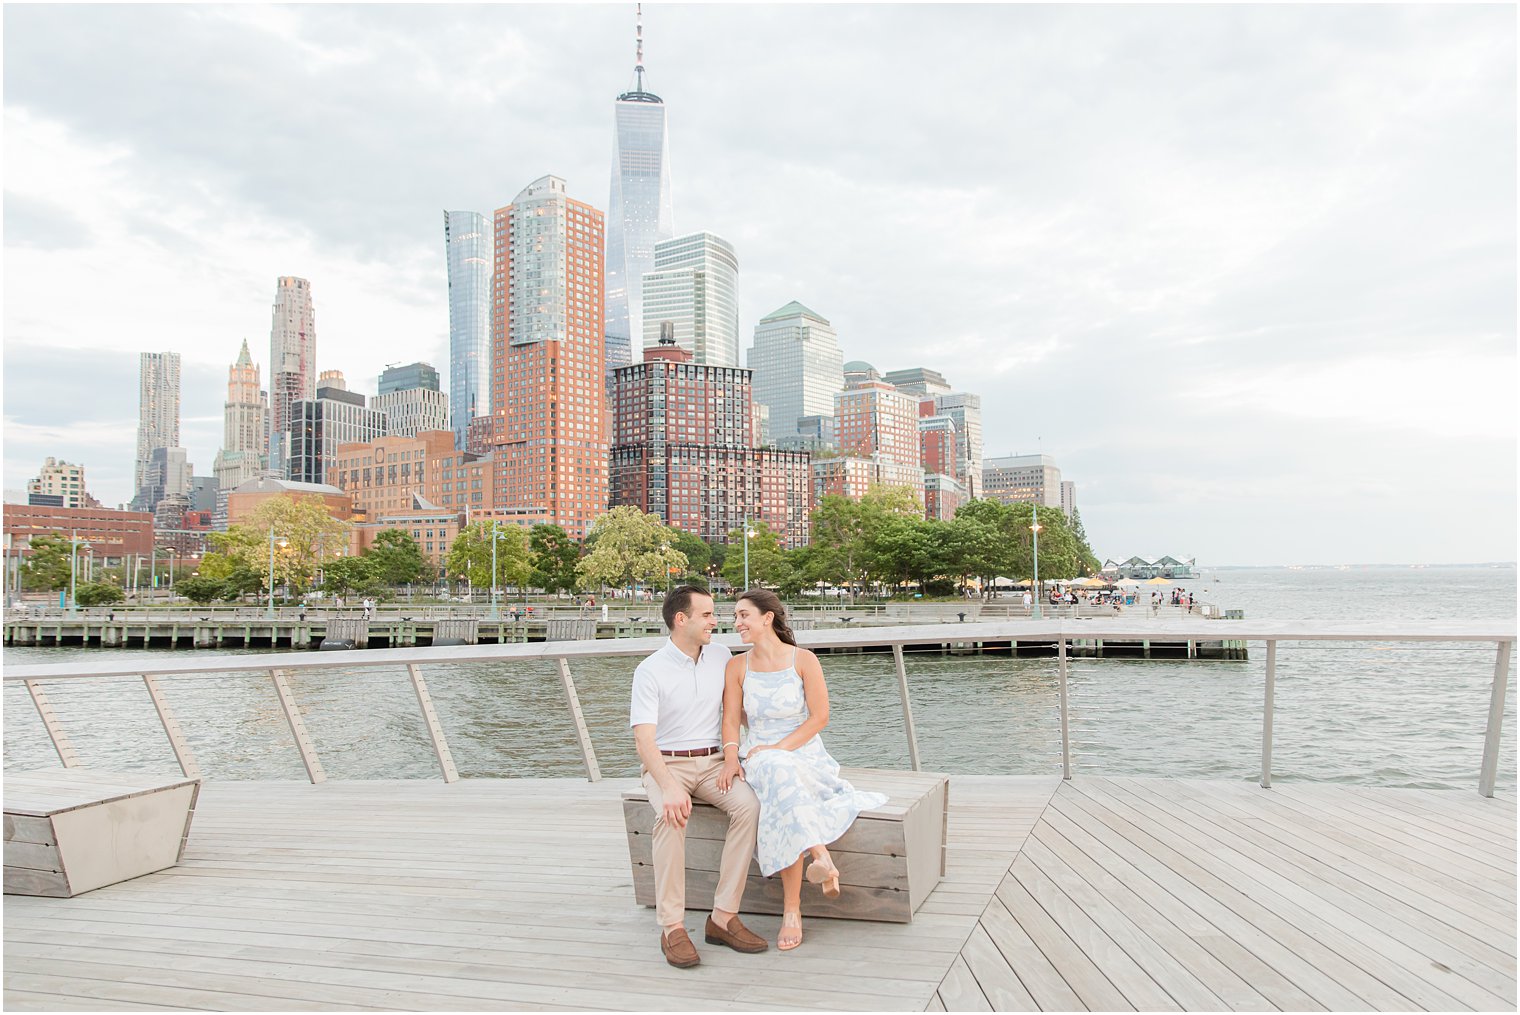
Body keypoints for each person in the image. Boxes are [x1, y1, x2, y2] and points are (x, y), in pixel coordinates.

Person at [722, 588, 887, 951]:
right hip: (757, 756)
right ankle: (817, 859)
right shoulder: (737, 666)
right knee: (776, 770)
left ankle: (796, 904)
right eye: (735, 616)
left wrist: (780, 748)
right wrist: (733, 757)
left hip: (801, 752)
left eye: (743, 615)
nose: (736, 623)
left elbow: (820, 717)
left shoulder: (804, 660)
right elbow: (731, 722)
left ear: (767, 618)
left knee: (781, 776)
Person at [631, 586, 767, 969]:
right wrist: (669, 786)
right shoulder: (650, 670)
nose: (715, 621)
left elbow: (734, 711)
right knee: (671, 817)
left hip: (713, 764)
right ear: (681, 619)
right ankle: (672, 926)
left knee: (748, 806)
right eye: (707, 615)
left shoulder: (721, 656)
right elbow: (643, 740)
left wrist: (736, 755)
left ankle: (723, 917)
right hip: (667, 765)